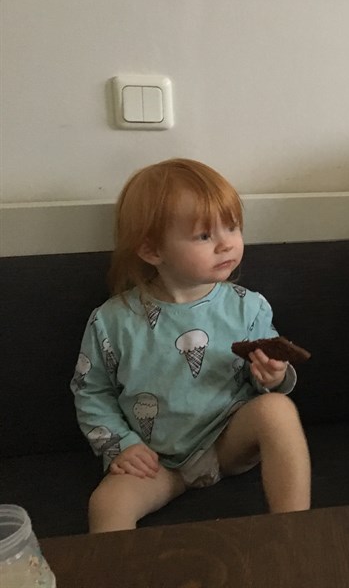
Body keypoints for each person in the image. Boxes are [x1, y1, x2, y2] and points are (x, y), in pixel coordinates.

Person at [71, 158, 311, 532]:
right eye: (203, 236)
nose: (227, 243)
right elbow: (92, 392)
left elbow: (262, 379)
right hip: (157, 462)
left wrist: (272, 377)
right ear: (152, 250)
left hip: (227, 443)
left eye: (232, 227)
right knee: (106, 504)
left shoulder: (249, 307)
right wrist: (123, 445)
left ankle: (296, 532)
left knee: (278, 410)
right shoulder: (112, 320)